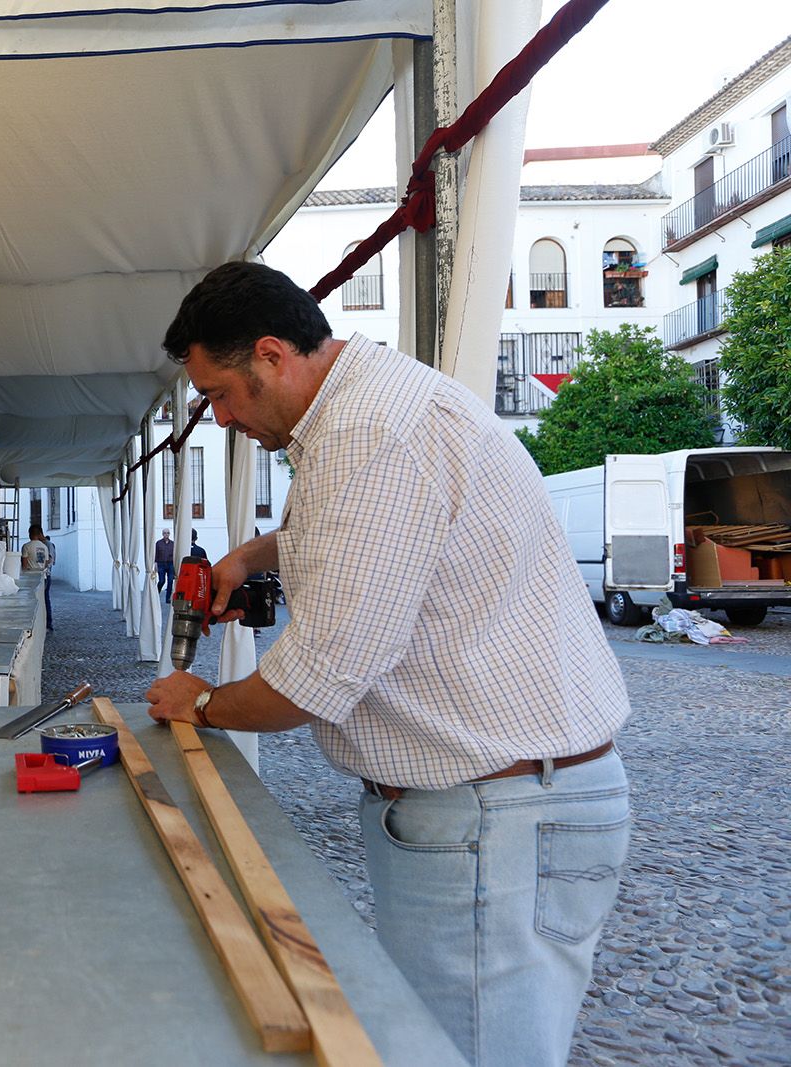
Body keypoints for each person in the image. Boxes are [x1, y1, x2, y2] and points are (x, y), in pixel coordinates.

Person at [144, 262, 631, 1067]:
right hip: (498, 804)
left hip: (493, 815)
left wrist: (200, 702)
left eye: (223, 394)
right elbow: (383, 533)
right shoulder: (375, 404)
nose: (223, 418)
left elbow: (320, 674)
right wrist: (263, 553)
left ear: (272, 354)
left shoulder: (366, 432)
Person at [22, 523, 55, 631]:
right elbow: (46, 563)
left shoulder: (26, 546)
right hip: (43, 576)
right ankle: (47, 624)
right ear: (39, 533)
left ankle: (34, 625)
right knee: (45, 600)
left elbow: (24, 564)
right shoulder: (45, 546)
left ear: (30, 534)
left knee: (32, 601)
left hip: (31, 577)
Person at [154, 528, 175, 600]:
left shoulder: (173, 544)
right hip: (161, 564)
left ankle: (168, 598)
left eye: (168, 533)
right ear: (162, 534)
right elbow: (155, 554)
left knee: (170, 581)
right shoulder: (158, 543)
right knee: (162, 580)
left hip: (170, 564)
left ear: (169, 534)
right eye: (165, 533)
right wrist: (155, 564)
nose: (166, 534)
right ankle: (156, 594)